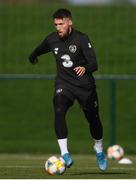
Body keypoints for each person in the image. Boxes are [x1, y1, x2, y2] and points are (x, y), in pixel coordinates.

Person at [29, 8, 107, 171]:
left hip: (84, 86)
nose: (58, 27)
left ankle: (98, 148)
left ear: (69, 22)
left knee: (93, 119)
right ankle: (65, 153)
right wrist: (33, 56)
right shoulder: (52, 40)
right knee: (59, 107)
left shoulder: (81, 39)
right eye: (56, 24)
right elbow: (40, 48)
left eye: (61, 24)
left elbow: (94, 63)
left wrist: (85, 68)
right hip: (64, 84)